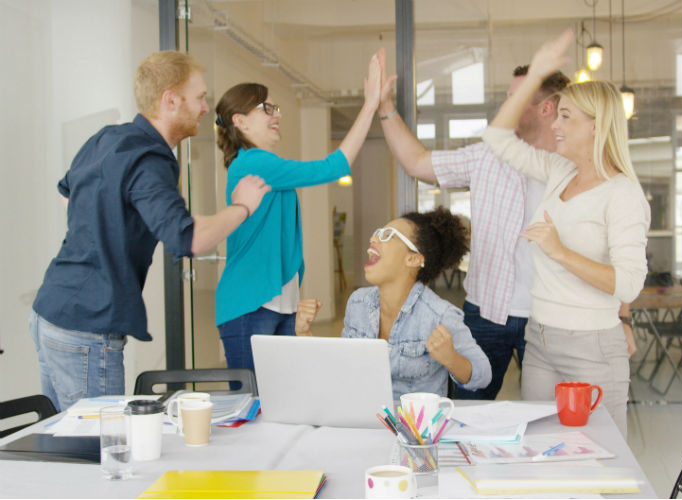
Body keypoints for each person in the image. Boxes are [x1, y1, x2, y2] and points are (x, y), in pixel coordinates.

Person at [30, 51, 270, 411]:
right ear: (170, 100)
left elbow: (67, 195)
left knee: (66, 435)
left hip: (50, 311)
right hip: (86, 327)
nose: (206, 108)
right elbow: (189, 238)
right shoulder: (150, 158)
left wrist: (105, 234)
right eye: (200, 97)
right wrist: (243, 206)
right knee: (102, 440)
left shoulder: (108, 138)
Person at [373, 48, 569, 400]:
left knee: (549, 416)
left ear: (546, 108)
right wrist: (384, 106)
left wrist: (623, 319)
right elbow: (417, 162)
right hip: (485, 312)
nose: (506, 105)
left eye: (516, 96)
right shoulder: (487, 156)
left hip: (550, 318)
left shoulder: (574, 167)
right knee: (465, 411)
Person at [482, 30, 650, 436]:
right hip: (540, 338)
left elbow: (629, 283)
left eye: (566, 117)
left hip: (592, 346)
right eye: (556, 114)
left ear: (597, 125)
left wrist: (559, 251)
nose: (554, 124)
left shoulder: (622, 194)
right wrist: (536, 75)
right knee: (540, 447)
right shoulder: (559, 171)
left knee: (603, 454)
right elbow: (497, 138)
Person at [212, 52, 382, 378]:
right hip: (251, 304)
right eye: (266, 108)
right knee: (256, 402)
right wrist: (370, 105)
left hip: (277, 304)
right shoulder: (254, 162)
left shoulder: (261, 163)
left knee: (282, 397)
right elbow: (333, 166)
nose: (276, 114)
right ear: (240, 121)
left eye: (276, 108)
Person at [295, 207, 491, 400]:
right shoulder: (357, 303)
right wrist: (305, 334)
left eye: (388, 235)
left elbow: (483, 375)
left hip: (412, 420)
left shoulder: (440, 315)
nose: (373, 239)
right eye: (378, 233)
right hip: (363, 414)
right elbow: (344, 368)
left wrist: (451, 358)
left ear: (413, 258)